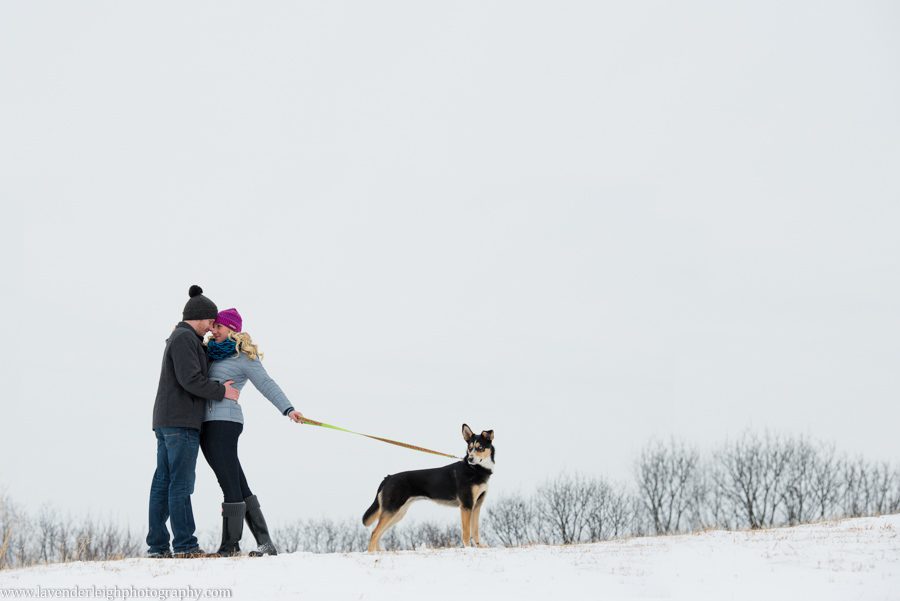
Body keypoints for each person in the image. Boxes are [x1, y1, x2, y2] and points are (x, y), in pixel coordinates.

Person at [147, 286, 241, 559]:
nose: (213, 328)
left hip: (168, 420)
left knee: (163, 482)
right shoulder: (185, 339)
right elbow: (191, 380)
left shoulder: (181, 338)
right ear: (200, 317)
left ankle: (158, 545)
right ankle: (186, 545)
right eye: (211, 322)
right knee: (180, 484)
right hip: (181, 422)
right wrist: (223, 391)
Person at [201, 307, 304, 557]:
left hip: (224, 423)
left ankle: (230, 545)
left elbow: (267, 383)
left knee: (228, 480)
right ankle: (265, 544)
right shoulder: (211, 353)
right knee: (237, 480)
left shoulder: (244, 358)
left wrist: (288, 409)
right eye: (213, 326)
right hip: (208, 422)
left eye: (219, 327)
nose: (214, 331)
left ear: (232, 330)